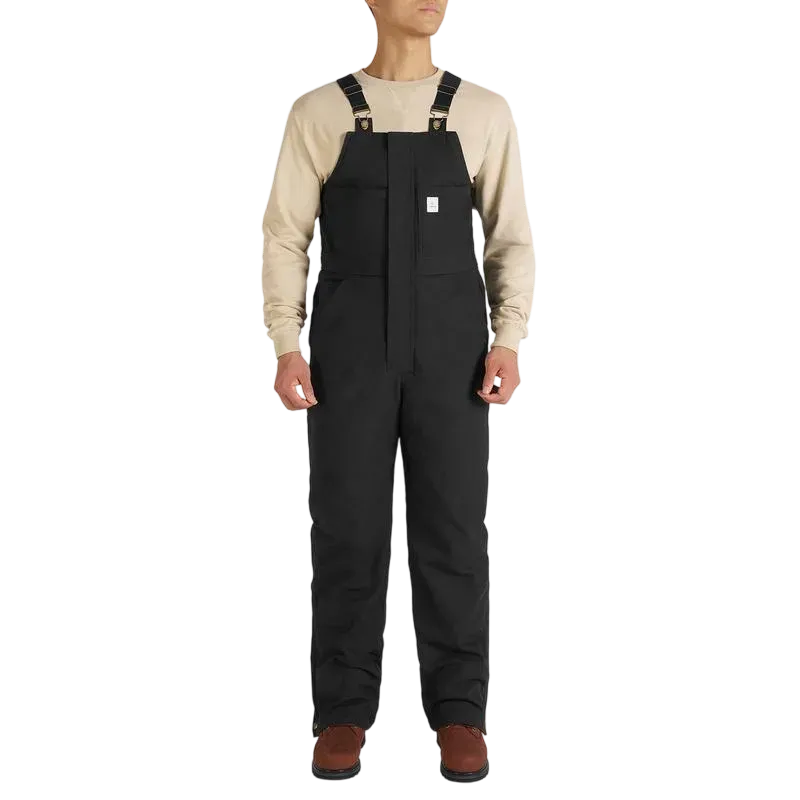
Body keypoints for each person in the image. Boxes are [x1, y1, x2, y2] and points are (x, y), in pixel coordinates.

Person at [261, 0, 535, 782]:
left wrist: (508, 337)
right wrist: (287, 344)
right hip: (346, 350)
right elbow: (285, 236)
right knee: (347, 529)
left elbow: (509, 237)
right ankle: (343, 710)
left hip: (453, 350)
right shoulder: (319, 110)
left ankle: (460, 712)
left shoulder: (483, 109)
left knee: (452, 530)